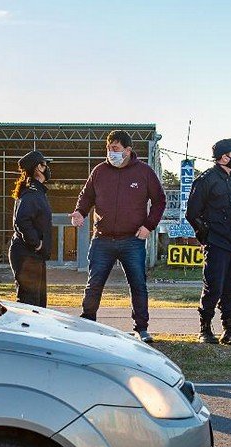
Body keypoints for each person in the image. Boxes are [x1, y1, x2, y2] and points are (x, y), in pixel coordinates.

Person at [71, 130, 166, 344]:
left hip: (132, 240)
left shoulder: (144, 172)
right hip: (102, 239)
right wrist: (79, 212)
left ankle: (141, 328)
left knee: (138, 284)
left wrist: (148, 226)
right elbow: (86, 197)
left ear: (128, 150)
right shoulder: (99, 171)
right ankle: (88, 323)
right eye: (108, 148)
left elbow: (160, 200)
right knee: (94, 283)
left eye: (115, 149)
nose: (110, 152)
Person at [185, 138, 231, 345]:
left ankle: (229, 331)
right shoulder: (206, 179)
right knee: (213, 286)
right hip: (216, 242)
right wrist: (206, 236)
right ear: (223, 157)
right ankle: (205, 329)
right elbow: (192, 213)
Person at [9, 150, 53, 307]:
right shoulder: (32, 193)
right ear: (38, 168)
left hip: (33, 256)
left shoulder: (37, 192)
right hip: (28, 254)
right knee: (30, 303)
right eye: (45, 165)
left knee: (39, 304)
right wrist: (36, 243)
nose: (47, 169)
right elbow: (22, 220)